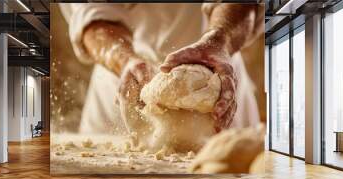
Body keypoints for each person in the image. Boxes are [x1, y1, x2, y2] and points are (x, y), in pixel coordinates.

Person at [60, 3, 264, 135]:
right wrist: (125, 62)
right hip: (123, 78)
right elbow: (90, 13)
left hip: (216, 72)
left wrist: (221, 38)